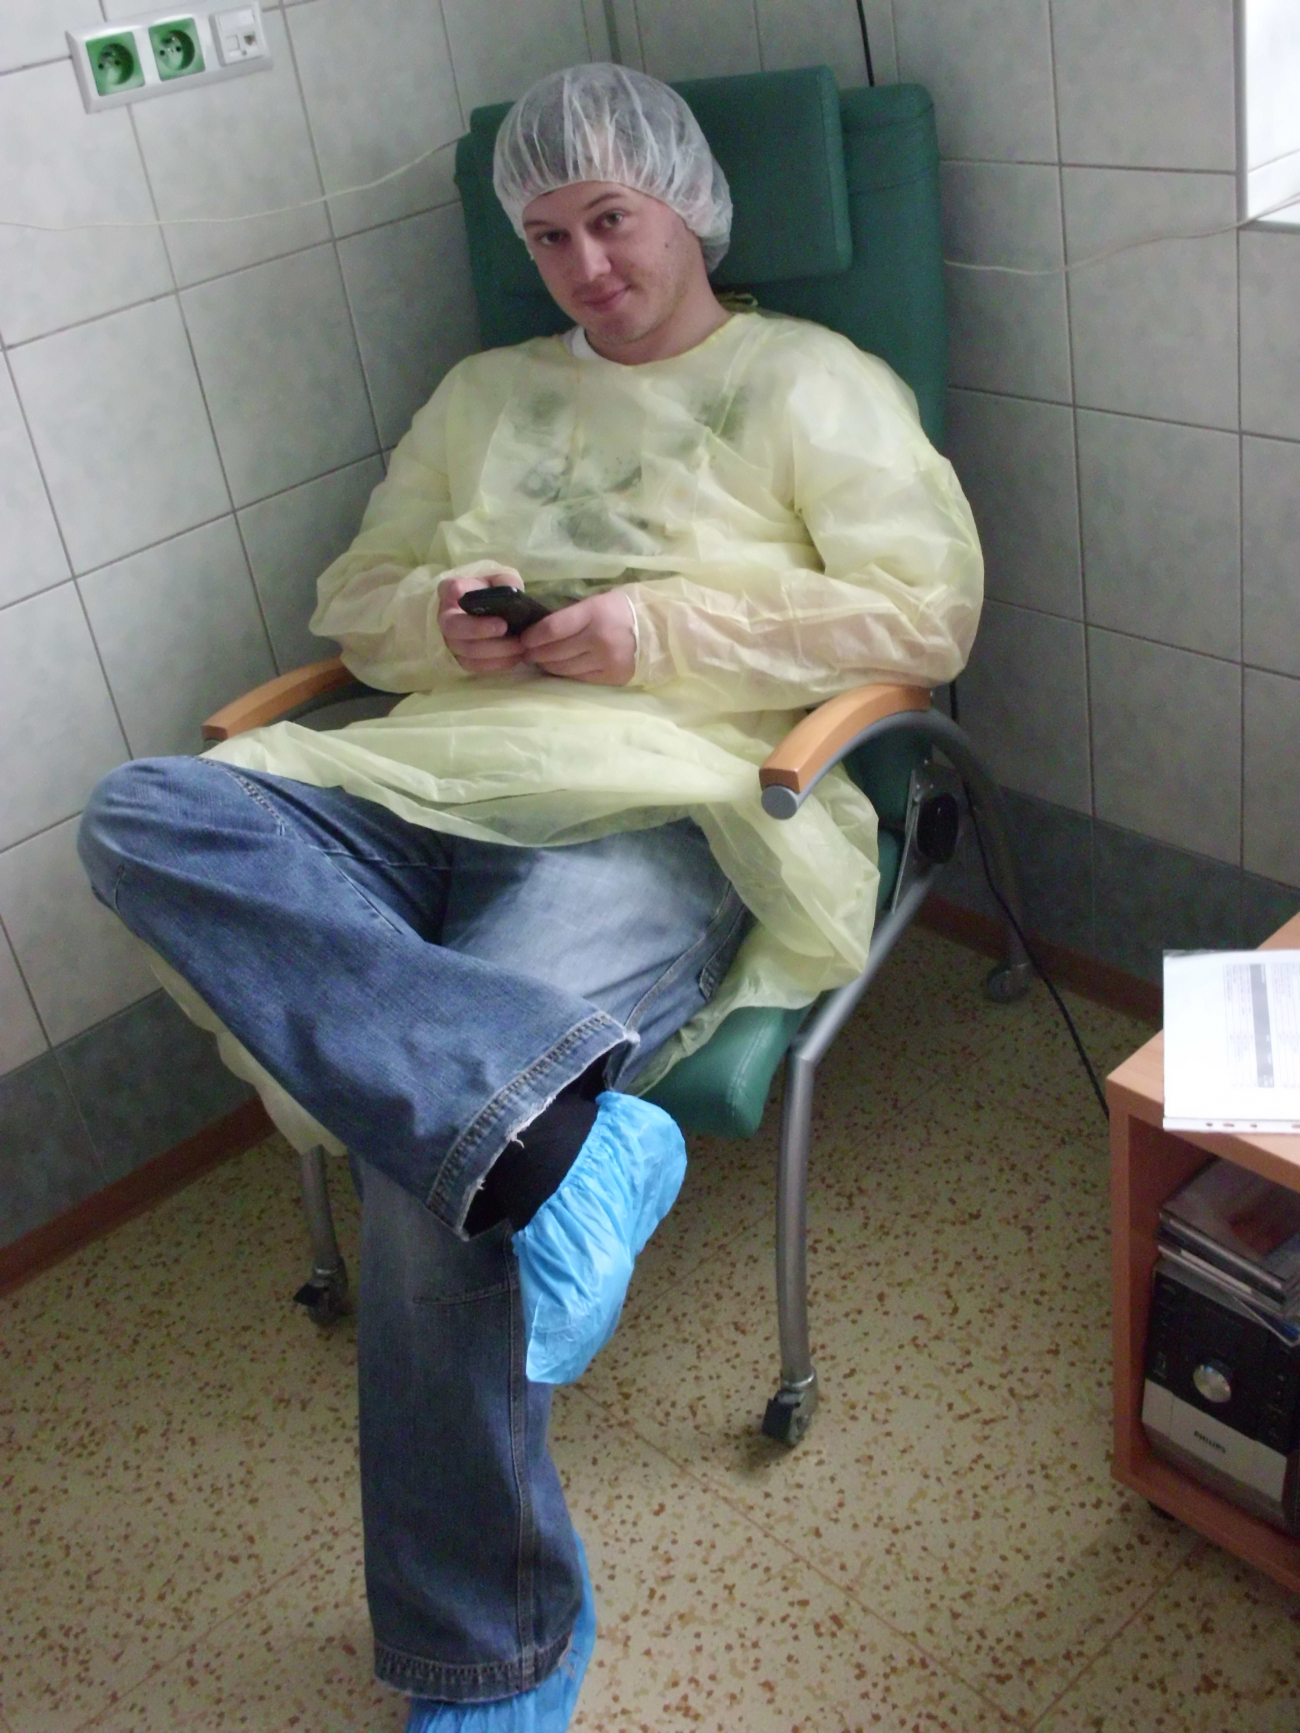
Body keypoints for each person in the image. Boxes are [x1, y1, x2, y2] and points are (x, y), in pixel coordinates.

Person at [77, 62, 982, 1733]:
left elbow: (922, 619)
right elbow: (355, 597)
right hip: (414, 777)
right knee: (147, 812)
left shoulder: (808, 382)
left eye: (612, 220)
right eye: (550, 236)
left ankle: (491, 1657)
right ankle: (560, 1130)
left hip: (649, 804)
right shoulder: (483, 394)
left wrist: (660, 632)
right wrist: (443, 616)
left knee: (440, 1172)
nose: (585, 267)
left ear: (688, 206)